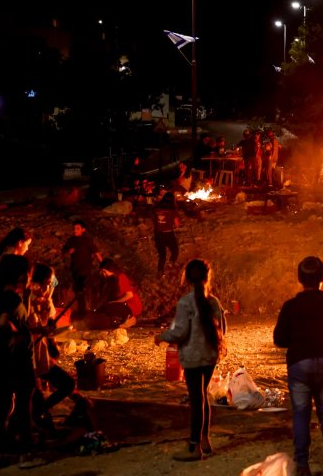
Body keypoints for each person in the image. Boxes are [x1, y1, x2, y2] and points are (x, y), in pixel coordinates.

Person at [273, 256, 323, 476]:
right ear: (322, 278)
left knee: (300, 414)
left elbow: (279, 339)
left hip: (299, 365)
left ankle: (302, 466)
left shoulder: (290, 307)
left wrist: (298, 340)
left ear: (299, 278)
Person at [156, 259, 226, 461]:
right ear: (207, 277)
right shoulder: (213, 301)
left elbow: (179, 332)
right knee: (202, 396)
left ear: (186, 278)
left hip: (193, 358)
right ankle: (205, 440)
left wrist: (161, 337)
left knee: (197, 400)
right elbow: (222, 329)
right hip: (211, 355)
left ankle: (194, 447)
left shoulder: (186, 302)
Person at [0, 255, 45, 470]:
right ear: (20, 274)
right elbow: (1, 323)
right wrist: (16, 335)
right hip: (14, 360)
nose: (30, 277)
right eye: (28, 273)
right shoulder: (10, 298)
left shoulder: (0, 295)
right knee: (21, 406)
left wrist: (32, 331)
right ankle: (25, 454)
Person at [26, 264, 85, 435]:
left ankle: (39, 413)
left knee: (67, 383)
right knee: (34, 394)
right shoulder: (24, 300)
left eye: (49, 284)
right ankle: (37, 418)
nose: (47, 287)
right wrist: (38, 330)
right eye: (44, 283)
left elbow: (48, 326)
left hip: (41, 355)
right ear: (34, 282)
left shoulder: (45, 301)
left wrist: (51, 339)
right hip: (27, 356)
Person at [85, 259, 141, 330]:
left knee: (110, 310)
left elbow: (129, 295)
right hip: (119, 304)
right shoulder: (107, 281)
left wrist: (114, 303)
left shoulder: (121, 277)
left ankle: (130, 320)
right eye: (101, 271)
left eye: (104, 271)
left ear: (111, 270)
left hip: (130, 305)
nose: (102, 274)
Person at [62, 220, 102, 315]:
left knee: (82, 289)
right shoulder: (71, 240)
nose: (75, 230)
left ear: (83, 230)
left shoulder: (87, 240)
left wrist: (103, 264)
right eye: (74, 228)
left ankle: (84, 311)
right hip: (75, 269)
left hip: (85, 269)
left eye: (78, 229)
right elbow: (64, 250)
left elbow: (96, 252)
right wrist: (68, 251)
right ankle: (81, 310)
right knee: (77, 289)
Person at [153, 193, 180, 277]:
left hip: (157, 234)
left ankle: (160, 272)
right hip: (168, 234)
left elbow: (154, 220)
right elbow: (177, 224)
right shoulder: (172, 210)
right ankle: (171, 264)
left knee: (162, 254)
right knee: (175, 250)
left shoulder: (156, 209)